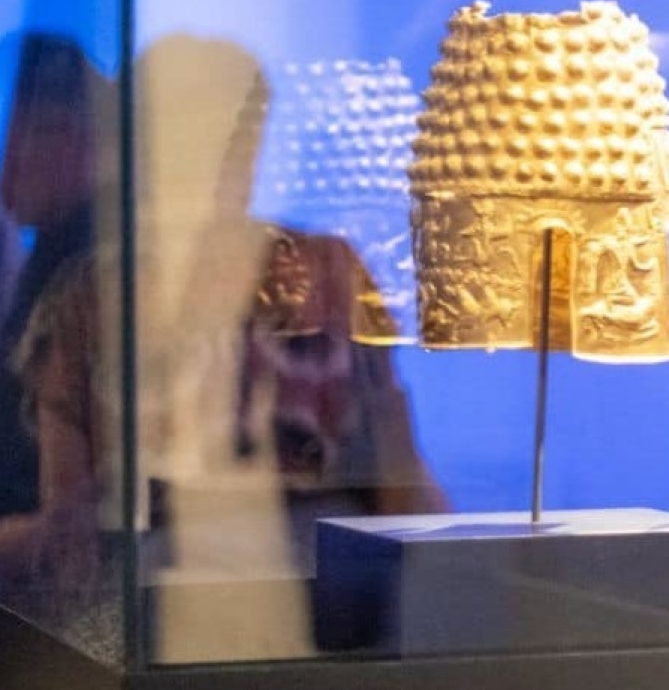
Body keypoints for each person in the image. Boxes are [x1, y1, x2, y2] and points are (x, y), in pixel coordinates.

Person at [16, 34, 446, 663]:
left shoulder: (328, 270)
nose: (225, 156)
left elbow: (398, 468)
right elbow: (70, 520)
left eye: (242, 130)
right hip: (151, 600)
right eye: (194, 127)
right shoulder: (88, 296)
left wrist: (435, 597)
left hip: (328, 593)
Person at [0, 34, 104, 584]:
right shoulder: (49, 249)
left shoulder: (92, 276)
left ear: (72, 136)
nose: (7, 164)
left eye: (19, 136)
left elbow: (76, 526)